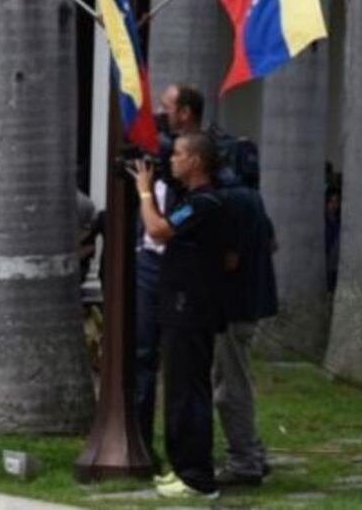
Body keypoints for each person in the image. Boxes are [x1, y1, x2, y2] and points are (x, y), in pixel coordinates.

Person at [134, 133, 226, 500]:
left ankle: (197, 477)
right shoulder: (191, 200)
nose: (171, 160)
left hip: (191, 310)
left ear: (197, 162)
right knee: (177, 392)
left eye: (179, 154)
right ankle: (184, 468)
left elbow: (157, 230)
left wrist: (144, 190)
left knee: (189, 393)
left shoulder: (204, 203)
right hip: (180, 308)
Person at [134, 83, 206, 459]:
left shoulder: (200, 173)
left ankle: (186, 456)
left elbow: (161, 227)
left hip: (178, 270)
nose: (160, 115)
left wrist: (146, 191)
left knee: (181, 365)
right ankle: (141, 445)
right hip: (147, 263)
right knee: (142, 356)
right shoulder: (157, 153)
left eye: (167, 108)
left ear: (186, 113)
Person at [213, 176, 277, 487]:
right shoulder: (254, 199)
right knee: (231, 381)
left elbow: (229, 258)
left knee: (230, 387)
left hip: (231, 309)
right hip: (247, 304)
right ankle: (252, 451)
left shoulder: (231, 202)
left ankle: (245, 461)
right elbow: (272, 243)